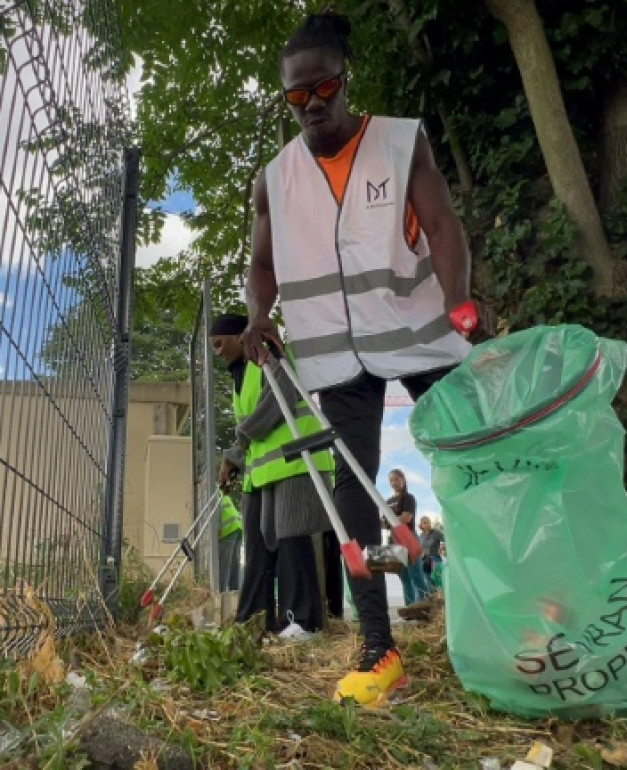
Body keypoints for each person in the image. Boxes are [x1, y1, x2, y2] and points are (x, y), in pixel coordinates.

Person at [240, 11, 486, 705]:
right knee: (352, 493)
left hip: (416, 330)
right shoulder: (273, 179)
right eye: (296, 97)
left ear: (346, 82)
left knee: (473, 458)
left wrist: (461, 299)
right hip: (335, 357)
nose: (313, 106)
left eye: (324, 89)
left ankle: (513, 603)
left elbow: (442, 225)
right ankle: (379, 650)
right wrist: (260, 318)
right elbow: (260, 266)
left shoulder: (401, 142)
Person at [214, 313, 335, 641]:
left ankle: (306, 622)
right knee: (269, 544)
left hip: (298, 458)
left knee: (292, 537)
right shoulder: (240, 376)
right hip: (269, 469)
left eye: (220, 343)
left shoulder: (268, 353)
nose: (218, 351)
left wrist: (236, 445)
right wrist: (235, 457)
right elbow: (250, 433)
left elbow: (277, 402)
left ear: (240, 336)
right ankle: (257, 621)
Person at [386, 470, 433, 606]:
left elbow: (406, 518)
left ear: (403, 480)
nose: (394, 483)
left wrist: (390, 520)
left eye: (396, 479)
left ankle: (425, 607)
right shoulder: (388, 501)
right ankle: (410, 608)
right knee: (404, 577)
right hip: (394, 540)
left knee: (416, 575)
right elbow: (383, 522)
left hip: (408, 538)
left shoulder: (408, 498)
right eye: (391, 480)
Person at [218, 493, 243, 592]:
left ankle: (221, 591)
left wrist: (218, 530)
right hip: (237, 527)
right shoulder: (219, 493)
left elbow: (217, 514)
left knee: (224, 563)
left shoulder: (210, 494)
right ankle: (234, 590)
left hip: (228, 529)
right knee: (234, 562)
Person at [418, 516, 445, 582]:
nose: (428, 524)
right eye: (425, 523)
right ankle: (432, 591)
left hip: (435, 558)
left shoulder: (436, 533)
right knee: (428, 581)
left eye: (428, 522)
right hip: (424, 560)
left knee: (437, 580)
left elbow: (447, 540)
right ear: (421, 525)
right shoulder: (421, 535)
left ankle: (439, 590)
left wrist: (441, 548)